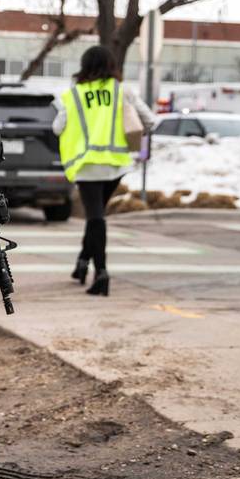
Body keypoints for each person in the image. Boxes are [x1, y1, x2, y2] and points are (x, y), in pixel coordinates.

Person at [53, 45, 155, 297]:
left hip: (87, 166)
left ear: (85, 66)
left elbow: (57, 128)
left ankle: (101, 273)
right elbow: (149, 121)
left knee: (95, 218)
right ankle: (82, 262)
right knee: (96, 218)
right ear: (111, 65)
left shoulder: (74, 95)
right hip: (115, 165)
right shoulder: (122, 92)